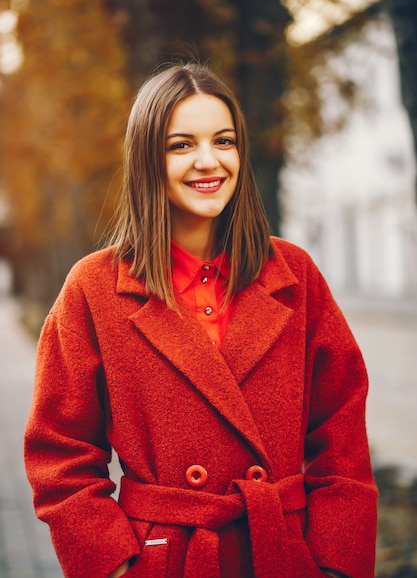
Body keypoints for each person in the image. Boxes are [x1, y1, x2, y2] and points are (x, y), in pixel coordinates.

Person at [24, 62, 378, 578]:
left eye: (225, 141)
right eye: (181, 145)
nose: (209, 162)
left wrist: (335, 564)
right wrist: (116, 565)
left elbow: (341, 438)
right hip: (168, 559)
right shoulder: (95, 288)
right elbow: (60, 455)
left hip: (283, 553)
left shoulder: (294, 274)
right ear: (148, 159)